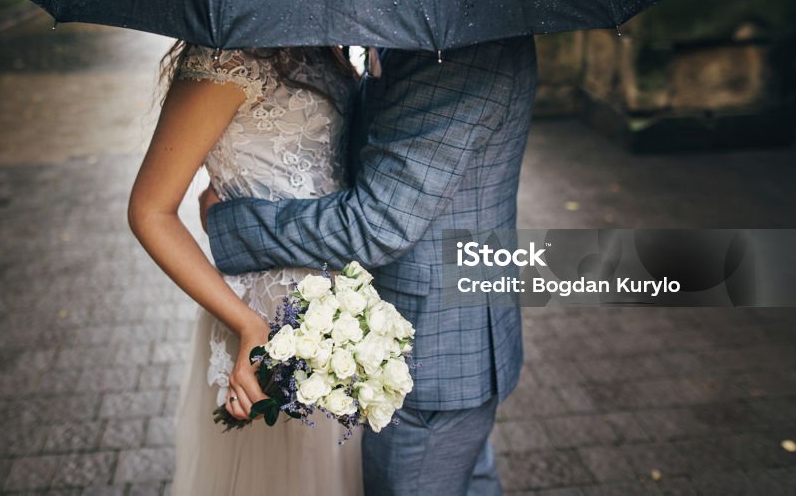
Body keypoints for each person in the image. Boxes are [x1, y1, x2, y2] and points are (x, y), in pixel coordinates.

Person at [202, 37, 538, 496]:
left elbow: (377, 223)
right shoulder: (430, 30)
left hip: (436, 347)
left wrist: (232, 222)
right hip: (437, 324)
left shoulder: (461, 49)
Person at [128, 42, 361, 495]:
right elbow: (149, 210)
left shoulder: (323, 46)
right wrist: (247, 324)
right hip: (264, 315)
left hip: (341, 310)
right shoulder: (225, 57)